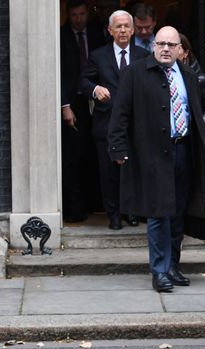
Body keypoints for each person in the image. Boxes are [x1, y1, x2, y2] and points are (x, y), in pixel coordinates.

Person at [107, 26, 205, 293]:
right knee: (158, 213)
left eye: (172, 44)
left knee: (178, 212)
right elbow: (120, 114)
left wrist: (197, 129)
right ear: (152, 46)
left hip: (183, 152)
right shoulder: (134, 73)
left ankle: (173, 266)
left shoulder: (189, 75)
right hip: (151, 154)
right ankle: (159, 270)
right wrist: (118, 149)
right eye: (161, 44)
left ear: (180, 49)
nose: (166, 49)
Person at [80, 10, 149, 230]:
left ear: (133, 30)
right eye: (118, 27)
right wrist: (95, 89)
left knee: (133, 171)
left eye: (126, 26)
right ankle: (114, 214)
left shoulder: (143, 55)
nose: (122, 30)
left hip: (135, 125)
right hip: (106, 124)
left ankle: (132, 211)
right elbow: (83, 81)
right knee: (109, 173)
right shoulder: (98, 56)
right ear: (110, 30)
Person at [59, 0, 105, 222]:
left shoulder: (97, 35)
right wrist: (64, 105)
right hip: (73, 102)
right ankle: (74, 209)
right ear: (68, 14)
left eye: (82, 14)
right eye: (74, 15)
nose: (78, 19)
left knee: (93, 153)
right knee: (73, 156)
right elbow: (57, 72)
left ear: (88, 13)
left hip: (98, 99)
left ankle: (94, 204)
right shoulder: (60, 36)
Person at [177, 33, 205, 128]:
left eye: (177, 47)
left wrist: (199, 126)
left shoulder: (198, 79)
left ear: (186, 53)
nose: (171, 50)